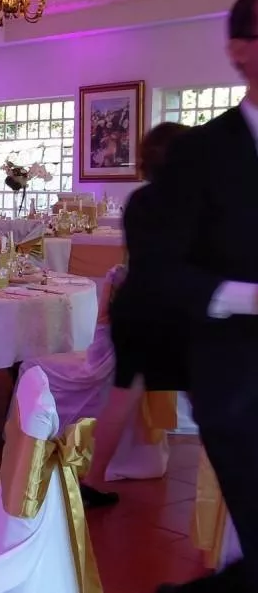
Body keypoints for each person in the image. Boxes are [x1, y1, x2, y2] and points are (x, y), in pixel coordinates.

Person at [142, 0, 258, 593]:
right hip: (237, 382)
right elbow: (160, 273)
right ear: (240, 51)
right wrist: (248, 296)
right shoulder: (201, 155)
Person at [83, 122, 189, 506]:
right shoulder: (194, 202)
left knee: (122, 394)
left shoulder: (139, 200)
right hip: (169, 311)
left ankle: (94, 477)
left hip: (132, 307)